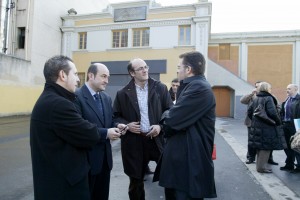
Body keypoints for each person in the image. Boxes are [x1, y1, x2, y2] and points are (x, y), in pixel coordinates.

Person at [30, 55, 116, 200]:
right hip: (63, 187)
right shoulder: (59, 104)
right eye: (75, 74)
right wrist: (102, 132)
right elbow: (89, 134)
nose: (78, 79)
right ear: (63, 75)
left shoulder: (51, 99)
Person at [157, 51, 217, 199]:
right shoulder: (192, 86)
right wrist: (170, 114)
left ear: (188, 69)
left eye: (179, 67)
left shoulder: (199, 88)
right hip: (183, 162)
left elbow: (171, 120)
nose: (177, 71)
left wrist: (166, 116)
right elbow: (175, 117)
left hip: (189, 164)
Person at [113, 58, 173, 200]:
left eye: (146, 67)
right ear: (132, 73)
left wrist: (160, 126)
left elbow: (170, 110)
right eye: (140, 68)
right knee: (136, 181)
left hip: (156, 139)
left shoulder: (160, 88)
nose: (145, 70)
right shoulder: (122, 93)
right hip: (134, 143)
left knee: (170, 176)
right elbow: (115, 117)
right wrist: (127, 125)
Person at [74, 63, 127, 200]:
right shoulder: (76, 97)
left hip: (105, 162)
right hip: (86, 162)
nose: (107, 81)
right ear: (91, 76)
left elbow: (109, 122)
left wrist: (118, 125)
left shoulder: (106, 98)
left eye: (108, 77)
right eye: (103, 76)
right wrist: (106, 133)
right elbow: (79, 129)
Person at [247, 82, 284, 173]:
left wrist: (255, 120)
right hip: (267, 127)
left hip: (256, 126)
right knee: (265, 147)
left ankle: (259, 166)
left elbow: (249, 111)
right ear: (267, 89)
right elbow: (273, 113)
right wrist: (278, 122)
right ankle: (261, 168)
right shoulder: (268, 98)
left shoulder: (256, 98)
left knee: (259, 146)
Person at [240, 81, 278, 165]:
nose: (257, 88)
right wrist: (251, 93)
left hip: (265, 123)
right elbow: (242, 101)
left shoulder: (270, 96)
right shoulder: (253, 96)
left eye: (259, 86)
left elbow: (276, 106)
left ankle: (269, 158)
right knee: (252, 141)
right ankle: (251, 157)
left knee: (267, 141)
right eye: (256, 86)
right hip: (251, 123)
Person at [280, 84, 300, 173]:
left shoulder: (298, 100)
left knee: (296, 146)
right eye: (286, 88)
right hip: (285, 125)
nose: (287, 90)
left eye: (289, 89)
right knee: (287, 146)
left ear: (296, 89)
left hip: (295, 126)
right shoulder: (288, 99)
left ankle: (299, 167)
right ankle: (289, 164)